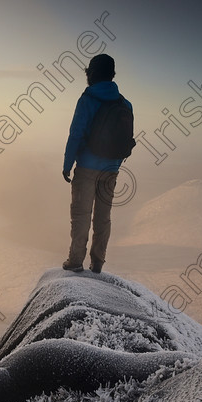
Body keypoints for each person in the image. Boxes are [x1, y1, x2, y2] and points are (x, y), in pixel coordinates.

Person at [62, 53, 132, 274]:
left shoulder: (87, 99)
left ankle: (75, 261)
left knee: (81, 216)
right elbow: (125, 138)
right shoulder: (125, 104)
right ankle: (98, 263)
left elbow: (76, 134)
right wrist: (114, 164)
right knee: (103, 218)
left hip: (86, 168)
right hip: (110, 171)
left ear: (91, 74)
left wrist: (67, 164)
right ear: (112, 75)